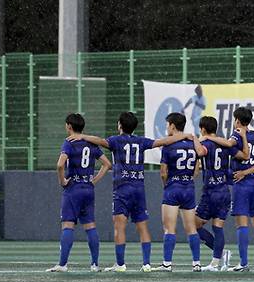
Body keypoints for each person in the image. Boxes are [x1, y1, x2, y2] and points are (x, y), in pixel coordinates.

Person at [68, 111, 192, 272]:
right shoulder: (141, 141)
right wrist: (185, 136)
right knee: (143, 227)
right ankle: (146, 264)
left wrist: (83, 136)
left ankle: (120, 264)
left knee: (119, 227)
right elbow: (163, 141)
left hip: (122, 189)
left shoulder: (115, 140)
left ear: (120, 125)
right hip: (138, 188)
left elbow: (100, 141)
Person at [204, 106, 254, 271]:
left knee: (241, 225)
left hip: (241, 185)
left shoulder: (236, 135)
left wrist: (209, 137)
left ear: (237, 120)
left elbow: (229, 145)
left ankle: (243, 263)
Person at [46, 113, 112, 272]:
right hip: (88, 189)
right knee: (90, 226)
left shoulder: (69, 143)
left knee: (68, 225)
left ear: (69, 126)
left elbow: (60, 165)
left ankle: (62, 265)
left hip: (73, 188)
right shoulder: (90, 143)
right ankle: (95, 264)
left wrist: (62, 181)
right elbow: (107, 164)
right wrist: (94, 180)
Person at [154, 112, 208, 272]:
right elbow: (197, 169)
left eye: (167, 125)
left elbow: (163, 172)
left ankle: (167, 263)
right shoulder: (193, 143)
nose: (166, 128)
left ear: (172, 125)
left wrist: (167, 185)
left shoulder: (168, 144)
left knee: (169, 228)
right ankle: (196, 263)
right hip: (188, 187)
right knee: (191, 228)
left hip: (173, 187)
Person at [194, 116, 239, 271]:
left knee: (193, 225)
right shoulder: (225, 144)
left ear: (203, 129)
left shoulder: (205, 143)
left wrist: (195, 139)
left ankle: (219, 255)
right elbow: (242, 155)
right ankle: (216, 261)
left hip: (210, 191)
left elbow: (200, 152)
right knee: (218, 227)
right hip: (224, 190)